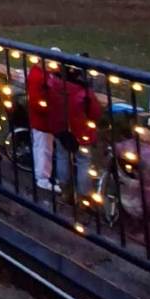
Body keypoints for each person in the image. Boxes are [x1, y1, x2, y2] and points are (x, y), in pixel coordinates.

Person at [54, 58, 102, 196]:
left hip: (60, 128)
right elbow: (95, 113)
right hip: (81, 133)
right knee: (83, 162)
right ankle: (84, 194)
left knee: (62, 156)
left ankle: (63, 188)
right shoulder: (84, 93)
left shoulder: (56, 85)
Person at [27, 50, 66, 193]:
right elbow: (36, 102)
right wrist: (51, 109)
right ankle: (42, 179)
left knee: (42, 147)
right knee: (43, 148)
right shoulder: (38, 77)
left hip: (45, 119)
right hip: (43, 121)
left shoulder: (42, 73)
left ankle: (43, 175)